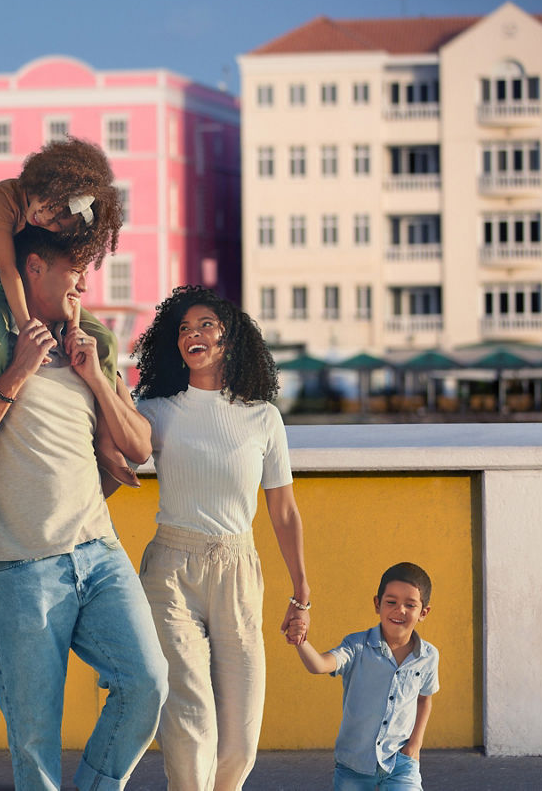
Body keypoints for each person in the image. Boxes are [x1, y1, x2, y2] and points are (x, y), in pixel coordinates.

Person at [0, 224, 167, 790]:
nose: (85, 281)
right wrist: (18, 367)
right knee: (34, 737)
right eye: (75, 266)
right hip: (20, 564)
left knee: (147, 683)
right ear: (33, 267)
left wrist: (96, 377)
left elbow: (140, 443)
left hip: (100, 552)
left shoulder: (92, 345)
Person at [131, 285, 310, 791]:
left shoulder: (263, 418)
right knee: (192, 722)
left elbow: (284, 510)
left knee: (239, 742)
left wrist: (302, 595)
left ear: (230, 339)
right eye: (184, 328)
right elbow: (117, 459)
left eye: (205, 325)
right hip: (171, 569)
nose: (194, 334)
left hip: (238, 570)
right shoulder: (156, 410)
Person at [0, 136, 132, 493]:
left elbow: (62, 279)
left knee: (106, 341)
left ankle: (106, 442)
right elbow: (8, 270)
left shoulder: (48, 222)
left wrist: (73, 327)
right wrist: (27, 327)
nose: (47, 222)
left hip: (22, 289)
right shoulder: (4, 199)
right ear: (49, 183)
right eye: (52, 211)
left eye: (58, 226)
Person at [287, 562, 439, 791]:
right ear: (377, 604)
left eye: (410, 605)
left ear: (423, 612)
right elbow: (319, 664)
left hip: (401, 764)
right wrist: (301, 641)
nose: (400, 610)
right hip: (353, 765)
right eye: (391, 602)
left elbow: (424, 698)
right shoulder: (356, 646)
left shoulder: (428, 656)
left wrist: (415, 745)